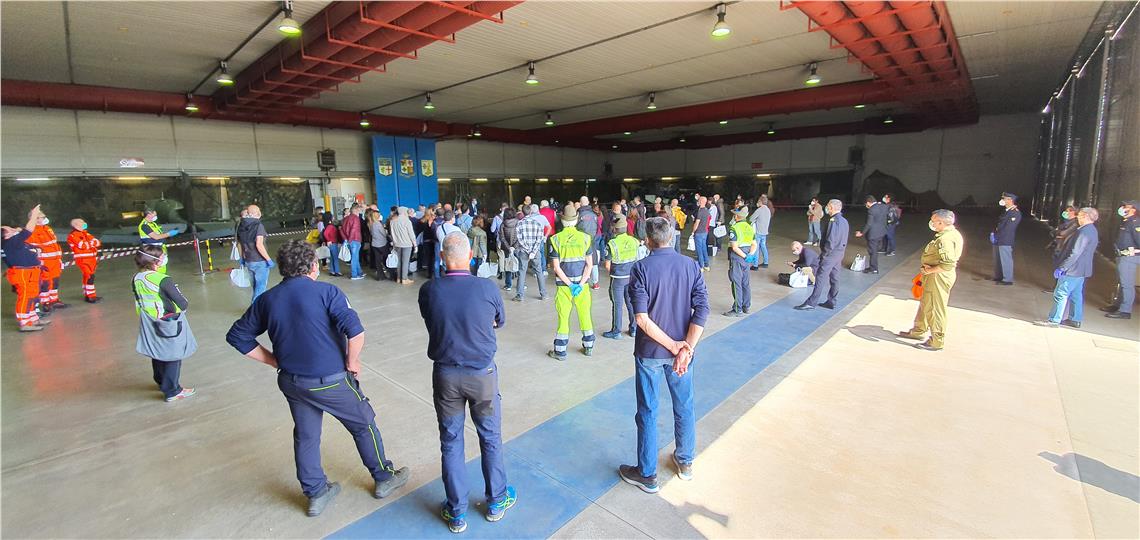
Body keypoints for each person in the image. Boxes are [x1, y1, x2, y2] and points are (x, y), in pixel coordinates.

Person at [226, 240, 410, 517]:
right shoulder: (328, 292)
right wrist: (352, 361)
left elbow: (238, 336)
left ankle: (316, 493)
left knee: (306, 436)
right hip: (331, 381)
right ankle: (384, 477)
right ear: (313, 266)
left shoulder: (267, 299)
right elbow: (356, 332)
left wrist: (274, 360)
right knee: (364, 424)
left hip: (293, 382)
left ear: (283, 269)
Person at [418, 233, 517, 533]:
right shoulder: (486, 287)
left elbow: (431, 320)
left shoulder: (429, 290)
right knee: (490, 437)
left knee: (451, 441)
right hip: (482, 376)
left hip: (446, 376)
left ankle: (456, 511)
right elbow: (500, 321)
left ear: (441, 257)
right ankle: (496, 500)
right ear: (471, 255)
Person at [619, 217, 709, 493]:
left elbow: (641, 319)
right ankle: (685, 461)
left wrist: (675, 347)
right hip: (682, 355)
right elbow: (702, 309)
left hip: (650, 353)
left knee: (648, 410)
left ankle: (647, 474)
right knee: (684, 405)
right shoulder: (690, 266)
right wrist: (686, 348)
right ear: (671, 237)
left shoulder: (641, 269)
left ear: (647, 240)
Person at [133, 244, 195, 402]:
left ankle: (161, 381)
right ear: (155, 261)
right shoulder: (162, 279)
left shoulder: (137, 278)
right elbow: (182, 302)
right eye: (162, 256)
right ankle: (172, 391)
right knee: (173, 355)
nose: (164, 258)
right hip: (167, 321)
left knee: (158, 352)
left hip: (149, 320)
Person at [897, 210, 965, 351]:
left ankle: (936, 341)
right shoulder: (952, 234)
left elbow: (948, 264)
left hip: (938, 277)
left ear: (941, 222)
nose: (931, 223)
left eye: (933, 221)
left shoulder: (945, 239)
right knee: (926, 303)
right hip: (934, 275)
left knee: (935, 308)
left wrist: (930, 270)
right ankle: (918, 330)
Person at [1034, 208, 1100, 329]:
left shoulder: (1084, 232)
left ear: (1086, 216)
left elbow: (1075, 252)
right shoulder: (1092, 230)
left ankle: (1054, 320)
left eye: (1080, 215)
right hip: (1082, 269)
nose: (1078, 217)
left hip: (1073, 269)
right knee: (1076, 295)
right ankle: (1075, 319)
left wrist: (1063, 267)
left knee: (1061, 293)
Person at [547, 205, 595, 359]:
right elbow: (589, 265)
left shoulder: (555, 239)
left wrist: (570, 285)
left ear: (562, 220)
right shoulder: (586, 238)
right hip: (582, 286)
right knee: (585, 314)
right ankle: (588, 346)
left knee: (563, 317)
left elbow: (556, 267)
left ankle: (560, 351)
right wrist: (580, 284)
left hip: (564, 287)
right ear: (576, 220)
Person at [795, 199, 849, 310]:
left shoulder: (833, 221)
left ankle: (811, 303)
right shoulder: (844, 221)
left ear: (832, 207)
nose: (827, 208)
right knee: (835, 278)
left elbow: (831, 241)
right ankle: (832, 301)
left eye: (828, 206)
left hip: (830, 255)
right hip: (839, 254)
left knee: (820, 278)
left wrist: (824, 254)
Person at [4, 205, 50, 332]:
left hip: (30, 271)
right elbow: (28, 230)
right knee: (25, 296)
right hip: (23, 273)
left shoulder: (16, 243)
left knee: (33, 295)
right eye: (9, 229)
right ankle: (24, 322)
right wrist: (34, 215)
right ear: (5, 235)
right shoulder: (11, 242)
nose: (13, 229)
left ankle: (33, 319)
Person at [603, 215, 639, 340]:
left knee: (617, 305)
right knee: (631, 303)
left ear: (614, 229)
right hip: (632, 277)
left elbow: (607, 265)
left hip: (618, 279)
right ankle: (634, 328)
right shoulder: (634, 241)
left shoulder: (612, 244)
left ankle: (616, 331)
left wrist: (614, 272)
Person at [25, 210, 68, 312]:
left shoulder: (47, 228)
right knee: (45, 283)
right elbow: (31, 248)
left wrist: (58, 258)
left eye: (44, 216)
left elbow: (54, 244)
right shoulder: (31, 231)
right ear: (34, 219)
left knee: (55, 281)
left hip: (55, 260)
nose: (44, 218)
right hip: (44, 261)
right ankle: (45, 303)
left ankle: (54, 300)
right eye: (41, 217)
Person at [1104, 200, 1139, 319]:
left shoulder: (1135, 223)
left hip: (1129, 257)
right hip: (1122, 256)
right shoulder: (1126, 222)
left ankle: (1125, 310)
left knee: (1127, 284)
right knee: (1121, 283)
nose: (1123, 208)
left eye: (1126, 206)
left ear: (1133, 209)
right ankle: (1117, 305)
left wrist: (1135, 251)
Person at [725, 207, 759, 317]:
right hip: (747, 257)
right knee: (745, 283)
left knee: (736, 283)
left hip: (737, 257)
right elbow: (754, 244)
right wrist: (750, 255)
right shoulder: (749, 227)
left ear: (736, 216)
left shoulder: (734, 228)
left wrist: (744, 256)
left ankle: (737, 309)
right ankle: (746, 306)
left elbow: (734, 247)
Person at [237, 205, 275, 301]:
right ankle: (255, 307)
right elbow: (259, 244)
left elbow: (239, 244)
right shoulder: (258, 226)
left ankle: (256, 305)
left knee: (255, 287)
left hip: (248, 260)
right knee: (260, 288)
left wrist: (242, 258)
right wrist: (268, 259)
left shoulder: (240, 225)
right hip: (260, 261)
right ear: (258, 214)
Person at [513, 205, 548, 302]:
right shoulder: (537, 223)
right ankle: (544, 294)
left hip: (524, 251)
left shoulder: (519, 224)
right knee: (539, 271)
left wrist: (528, 249)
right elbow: (539, 239)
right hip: (535, 251)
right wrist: (533, 251)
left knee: (521, 272)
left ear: (522, 213)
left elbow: (519, 239)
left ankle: (520, 295)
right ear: (531, 212)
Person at [67, 217, 103, 303]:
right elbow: (82, 245)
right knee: (89, 276)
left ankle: (89, 295)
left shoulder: (86, 233)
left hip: (91, 258)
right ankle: (90, 296)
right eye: (82, 222)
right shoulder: (73, 235)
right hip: (82, 259)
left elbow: (98, 242)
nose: (84, 223)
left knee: (89, 276)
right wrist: (91, 243)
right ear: (76, 225)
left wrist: (90, 243)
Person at [137, 208, 181, 274]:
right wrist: (169, 234)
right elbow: (156, 237)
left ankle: (162, 277)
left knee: (162, 265)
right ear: (149, 214)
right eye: (154, 215)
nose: (156, 217)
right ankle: (157, 278)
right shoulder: (144, 225)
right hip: (152, 251)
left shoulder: (153, 224)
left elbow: (159, 234)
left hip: (160, 249)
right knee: (155, 267)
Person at [991, 192, 1021, 285]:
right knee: (998, 259)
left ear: (1010, 200)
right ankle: (999, 276)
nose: (1002, 200)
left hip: (1005, 239)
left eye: (1004, 199)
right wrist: (995, 235)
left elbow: (1008, 228)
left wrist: (998, 236)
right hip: (999, 238)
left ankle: (1007, 279)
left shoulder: (1015, 213)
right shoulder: (1006, 211)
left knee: (1006, 259)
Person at [854, 195, 889, 274]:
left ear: (868, 202)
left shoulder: (871, 210)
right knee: (875, 250)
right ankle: (873, 267)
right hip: (882, 232)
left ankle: (873, 268)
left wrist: (862, 233)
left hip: (873, 234)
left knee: (872, 252)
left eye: (866, 204)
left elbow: (869, 224)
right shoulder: (884, 206)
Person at [576, 196, 601, 290]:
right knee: (593, 261)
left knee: (581, 261)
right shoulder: (594, 214)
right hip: (592, 240)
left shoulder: (578, 214)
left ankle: (582, 281)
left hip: (581, 241)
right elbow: (597, 227)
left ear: (580, 203)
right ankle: (596, 282)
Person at [390, 207, 416, 285]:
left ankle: (399, 278)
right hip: (407, 244)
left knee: (399, 261)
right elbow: (411, 234)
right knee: (405, 261)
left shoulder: (392, 221)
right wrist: (415, 245)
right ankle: (404, 279)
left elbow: (392, 234)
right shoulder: (407, 221)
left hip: (397, 244)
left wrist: (394, 243)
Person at [340, 203, 365, 280]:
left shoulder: (345, 218)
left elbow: (341, 230)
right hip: (355, 239)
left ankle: (359, 272)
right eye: (359, 210)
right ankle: (354, 275)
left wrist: (346, 239)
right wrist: (350, 239)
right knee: (354, 258)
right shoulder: (356, 218)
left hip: (348, 240)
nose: (359, 212)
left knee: (355, 257)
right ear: (356, 210)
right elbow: (354, 230)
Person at [499, 208, 520, 291]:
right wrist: (514, 247)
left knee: (508, 265)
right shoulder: (518, 223)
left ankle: (508, 285)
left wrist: (509, 248)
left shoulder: (503, 224)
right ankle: (521, 284)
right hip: (517, 247)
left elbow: (502, 238)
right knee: (520, 265)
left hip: (506, 248)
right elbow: (520, 236)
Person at [435, 211, 462, 276]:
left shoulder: (439, 228)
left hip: (442, 251)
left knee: (444, 268)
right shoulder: (456, 229)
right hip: (452, 252)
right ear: (452, 218)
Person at [749, 195, 772, 269]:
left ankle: (755, 265)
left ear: (760, 202)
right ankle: (766, 262)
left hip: (758, 232)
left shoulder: (759, 210)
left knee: (756, 248)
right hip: (765, 232)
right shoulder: (768, 210)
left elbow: (751, 218)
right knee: (763, 247)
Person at [368, 210, 391, 281]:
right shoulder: (378, 224)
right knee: (388, 258)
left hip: (374, 244)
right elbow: (384, 234)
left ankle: (380, 276)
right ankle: (392, 273)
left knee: (377, 261)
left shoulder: (371, 223)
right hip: (382, 243)